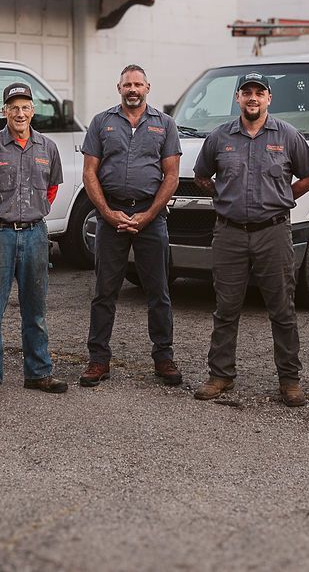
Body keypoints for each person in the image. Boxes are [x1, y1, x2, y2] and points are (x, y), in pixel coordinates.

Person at [192, 72, 309, 407]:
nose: (252, 98)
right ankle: (220, 376)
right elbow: (202, 176)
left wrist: (282, 197)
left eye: (258, 93)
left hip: (273, 233)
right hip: (230, 233)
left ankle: (290, 381)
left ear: (268, 99)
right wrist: (225, 196)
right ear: (237, 98)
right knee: (226, 308)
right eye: (246, 92)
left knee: (282, 309)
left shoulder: (288, 136)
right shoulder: (220, 137)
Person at [0, 82, 68, 402]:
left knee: (36, 309)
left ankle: (38, 373)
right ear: (4, 111)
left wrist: (35, 213)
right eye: (13, 107)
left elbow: (51, 188)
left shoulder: (47, 148)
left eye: (25, 107)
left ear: (33, 111)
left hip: (36, 235)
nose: (19, 113)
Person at [79, 65, 183, 388]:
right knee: (104, 291)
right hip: (112, 216)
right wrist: (108, 214)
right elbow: (89, 174)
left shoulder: (165, 125)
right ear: (119, 88)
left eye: (138, 84)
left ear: (148, 87)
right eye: (128, 84)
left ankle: (163, 357)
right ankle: (98, 360)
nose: (133, 89)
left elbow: (172, 176)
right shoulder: (101, 123)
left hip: (151, 218)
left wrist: (149, 214)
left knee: (159, 292)